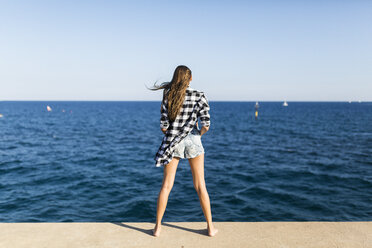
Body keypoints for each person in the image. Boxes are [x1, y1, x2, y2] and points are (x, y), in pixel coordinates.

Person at [148, 65, 218, 237]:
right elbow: (206, 125)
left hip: (173, 141)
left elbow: (164, 126)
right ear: (190, 78)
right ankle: (210, 228)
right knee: (200, 185)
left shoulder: (168, 95)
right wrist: (198, 135)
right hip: (194, 139)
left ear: (175, 78)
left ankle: (157, 228)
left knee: (166, 186)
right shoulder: (199, 95)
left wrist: (174, 132)